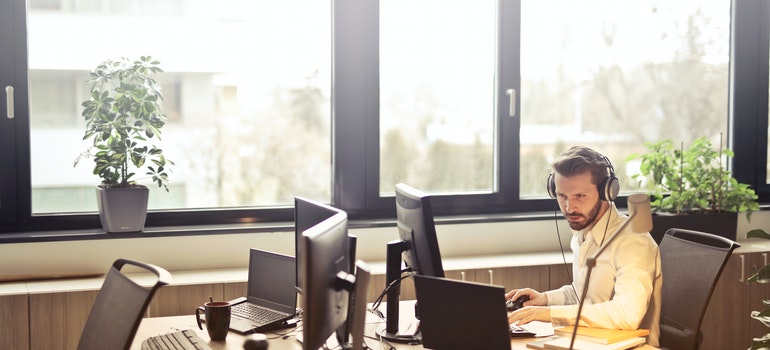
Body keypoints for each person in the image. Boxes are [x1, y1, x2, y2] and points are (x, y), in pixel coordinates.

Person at [507, 146, 662, 346]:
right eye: (562, 196)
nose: (569, 208)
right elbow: (583, 295)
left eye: (580, 196)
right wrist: (544, 299)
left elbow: (627, 314)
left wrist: (550, 313)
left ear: (607, 192)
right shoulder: (583, 233)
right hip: (588, 340)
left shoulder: (633, 242)